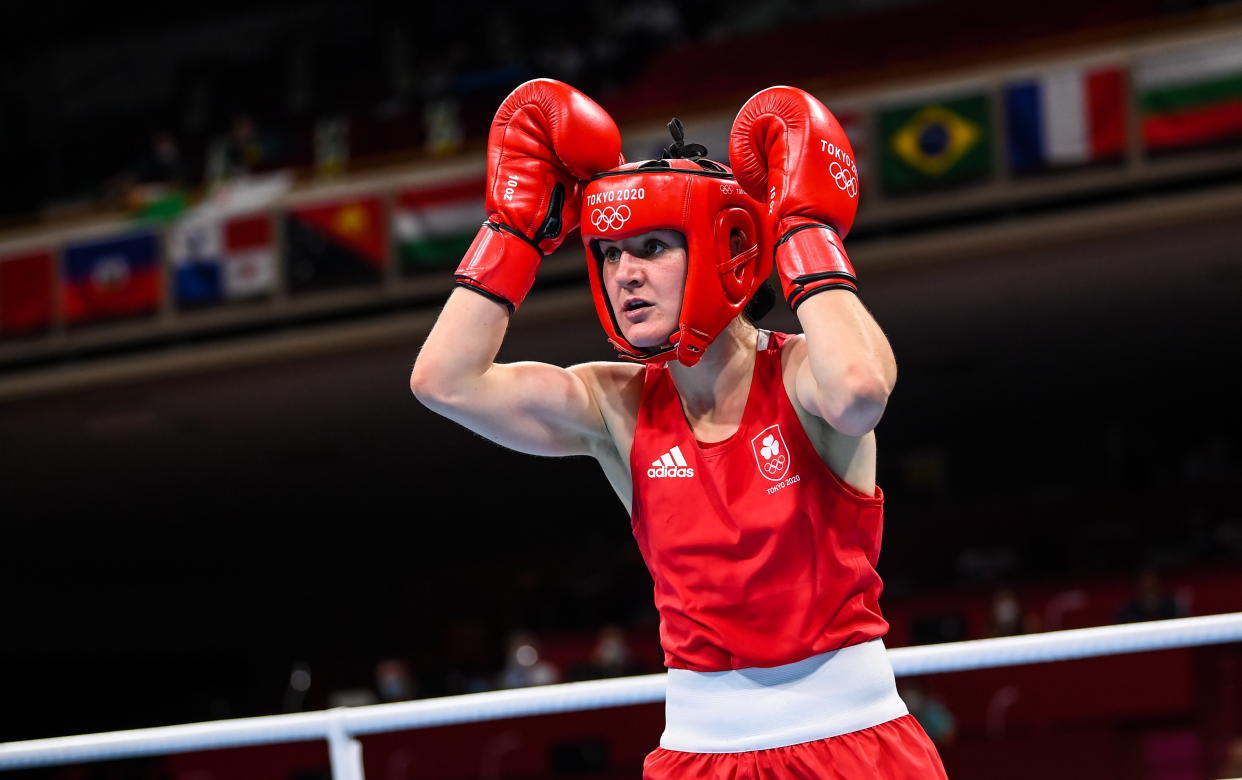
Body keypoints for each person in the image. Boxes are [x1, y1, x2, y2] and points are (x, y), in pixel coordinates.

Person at [410, 79, 947, 778]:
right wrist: (514, 232)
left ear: (726, 246)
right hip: (699, 755)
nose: (625, 274)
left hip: (852, 743)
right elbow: (444, 382)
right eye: (609, 253)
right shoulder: (617, 403)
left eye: (652, 247)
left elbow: (861, 391)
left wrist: (804, 232)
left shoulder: (804, 373)